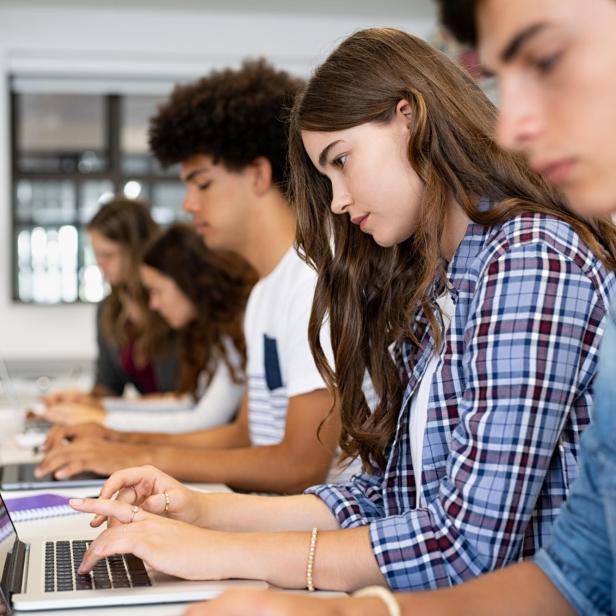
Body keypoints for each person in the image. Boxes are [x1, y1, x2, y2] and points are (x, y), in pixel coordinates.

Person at [65, 27, 616, 597]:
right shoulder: (440, 284)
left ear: (409, 118)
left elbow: (464, 548)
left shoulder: (528, 259)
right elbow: (384, 497)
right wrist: (199, 511)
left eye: (342, 161)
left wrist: (217, 552)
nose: (337, 201)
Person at [38, 59, 347, 494]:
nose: (188, 204)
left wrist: (132, 457)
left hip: (311, 536)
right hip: (267, 516)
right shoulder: (265, 294)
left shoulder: (313, 283)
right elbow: (244, 437)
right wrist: (120, 440)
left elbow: (300, 465)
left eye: (201, 184)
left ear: (258, 175)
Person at [40, 223, 256, 433]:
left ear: (186, 281)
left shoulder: (238, 328)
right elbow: (187, 402)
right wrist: (100, 408)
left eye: (156, 291)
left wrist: (102, 418)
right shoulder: (217, 330)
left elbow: (204, 419)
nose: (154, 304)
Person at [43, 197, 178, 411]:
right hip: (148, 425)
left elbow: (188, 400)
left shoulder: (175, 304)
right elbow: (109, 385)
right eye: (96, 254)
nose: (99, 263)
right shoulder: (109, 309)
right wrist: (83, 400)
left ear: (137, 250)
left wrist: (119, 408)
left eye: (108, 255)